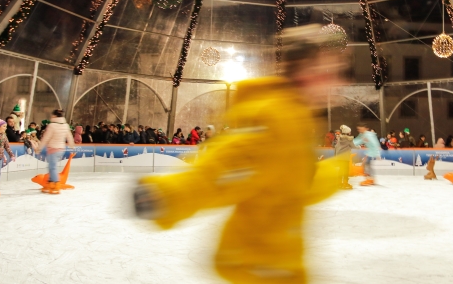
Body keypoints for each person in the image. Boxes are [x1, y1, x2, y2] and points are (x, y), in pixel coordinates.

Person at [132, 24, 345, 284]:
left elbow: (293, 184)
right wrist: (168, 194)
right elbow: (223, 170)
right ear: (303, 72)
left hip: (280, 263)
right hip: (257, 266)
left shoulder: (298, 120)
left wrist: (335, 172)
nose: (336, 82)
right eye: (327, 71)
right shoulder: (274, 119)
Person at [38, 109, 75, 194]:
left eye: (52, 115)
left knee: (52, 167)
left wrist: (39, 148)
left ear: (54, 116)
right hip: (61, 149)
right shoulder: (65, 125)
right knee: (52, 166)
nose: (51, 117)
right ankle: (50, 183)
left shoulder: (52, 125)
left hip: (53, 148)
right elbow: (69, 137)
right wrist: (72, 146)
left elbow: (46, 138)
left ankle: (56, 184)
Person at [334, 124, 357, 189]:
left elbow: (336, 147)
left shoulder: (339, 139)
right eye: (349, 131)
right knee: (346, 170)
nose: (350, 132)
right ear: (348, 132)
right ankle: (345, 183)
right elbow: (354, 146)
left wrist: (336, 155)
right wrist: (359, 147)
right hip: (345, 157)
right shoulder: (349, 139)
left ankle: (339, 183)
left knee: (341, 170)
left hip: (339, 156)